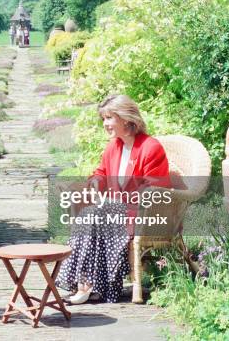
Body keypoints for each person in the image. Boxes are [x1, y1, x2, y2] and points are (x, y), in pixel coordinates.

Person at [56, 94, 171, 304]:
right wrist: (95, 183)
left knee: (94, 215)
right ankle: (87, 286)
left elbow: (156, 188)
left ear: (126, 119)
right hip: (115, 212)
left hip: (142, 216)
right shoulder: (114, 147)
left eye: (109, 118)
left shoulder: (150, 148)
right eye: (104, 119)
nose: (105, 124)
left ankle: (86, 286)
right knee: (90, 215)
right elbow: (100, 172)